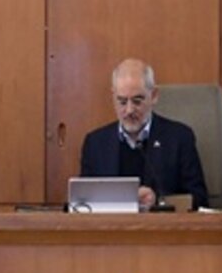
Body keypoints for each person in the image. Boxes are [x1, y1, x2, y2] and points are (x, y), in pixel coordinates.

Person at [79, 59, 209, 210]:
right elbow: (82, 205)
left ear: (153, 95)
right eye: (122, 101)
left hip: (161, 225)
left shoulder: (179, 138)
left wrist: (158, 201)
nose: (129, 110)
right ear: (113, 97)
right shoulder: (95, 144)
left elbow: (199, 200)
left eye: (137, 101)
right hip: (111, 224)